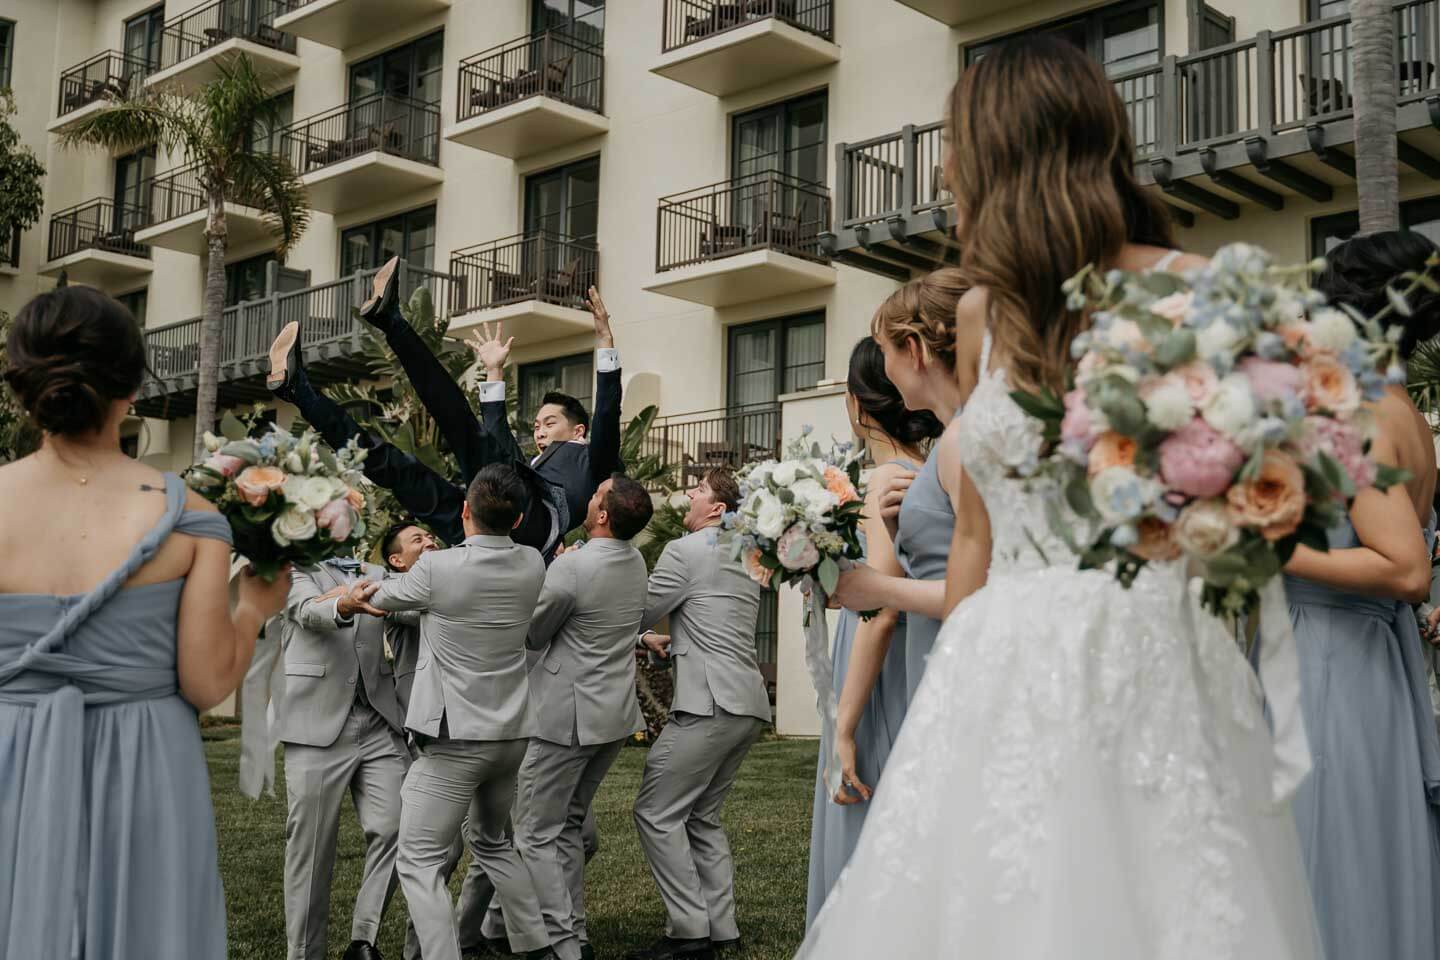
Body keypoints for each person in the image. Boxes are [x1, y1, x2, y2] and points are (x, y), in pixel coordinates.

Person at [799, 36, 1322, 957]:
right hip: (1000, 660)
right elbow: (975, 534)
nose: (945, 170)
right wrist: (957, 682)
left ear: (1011, 153)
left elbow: (1267, 499)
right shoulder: (982, 313)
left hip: (1150, 642)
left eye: (956, 145)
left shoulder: (1195, 294)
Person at [0, 285, 290, 957]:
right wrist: (253, 608)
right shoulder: (189, 514)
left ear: (23, 389)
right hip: (145, 768)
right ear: (131, 388)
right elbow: (204, 682)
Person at [1281, 230, 1440, 960]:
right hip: (1372, 662)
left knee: (1325, 868)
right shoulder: (1401, 410)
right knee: (1360, 861)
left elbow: (1405, 568)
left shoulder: (1360, 416)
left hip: (1332, 662)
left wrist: (1268, 546)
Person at [267, 256, 621, 561]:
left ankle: (391, 321)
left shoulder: (594, 463)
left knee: (456, 418)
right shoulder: (531, 468)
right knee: (397, 470)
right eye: (538, 424)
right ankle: (299, 392)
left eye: (550, 422)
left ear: (579, 431)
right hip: (478, 527)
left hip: (528, 528)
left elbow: (606, 414)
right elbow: (497, 439)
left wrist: (605, 341)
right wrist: (494, 371)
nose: (539, 430)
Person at [356, 465, 560, 960]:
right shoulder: (532, 562)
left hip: (456, 740)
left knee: (418, 860)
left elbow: (376, 598)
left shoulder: (438, 569)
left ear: (465, 510)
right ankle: (538, 947)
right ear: (517, 520)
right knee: (492, 844)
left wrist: (344, 592)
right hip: (511, 734)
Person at [805, 337, 939, 925]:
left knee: (867, 816)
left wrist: (845, 726)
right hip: (913, 656)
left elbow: (880, 609)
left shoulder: (885, 478)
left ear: (857, 404)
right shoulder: (924, 470)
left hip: (876, 672)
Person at [625, 467, 772, 960]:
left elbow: (634, 611)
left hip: (709, 703)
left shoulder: (684, 550)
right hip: (746, 701)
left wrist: (640, 631)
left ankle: (689, 931)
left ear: (717, 509)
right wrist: (661, 640)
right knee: (701, 816)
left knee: (656, 811)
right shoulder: (746, 552)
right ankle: (722, 927)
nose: (690, 493)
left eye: (700, 489)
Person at [509, 475, 654, 960]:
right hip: (613, 716)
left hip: (564, 718)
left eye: (595, 496)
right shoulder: (636, 561)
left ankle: (562, 944)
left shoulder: (571, 568)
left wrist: (553, 571)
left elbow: (533, 634)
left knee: (534, 832)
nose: (587, 498)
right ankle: (576, 934)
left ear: (604, 515)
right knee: (568, 824)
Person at [827, 270, 969, 701]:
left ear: (914, 349)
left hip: (954, 659)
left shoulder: (960, 440)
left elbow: (985, 586)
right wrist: (900, 532)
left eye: (886, 350)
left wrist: (877, 588)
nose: (887, 368)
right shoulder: (943, 447)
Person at [280, 554, 409, 960]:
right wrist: (342, 603)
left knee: (403, 826)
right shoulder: (292, 568)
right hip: (314, 722)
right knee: (312, 849)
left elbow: (413, 602)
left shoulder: (378, 574)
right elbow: (307, 610)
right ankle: (305, 954)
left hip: (378, 718)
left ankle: (362, 942)